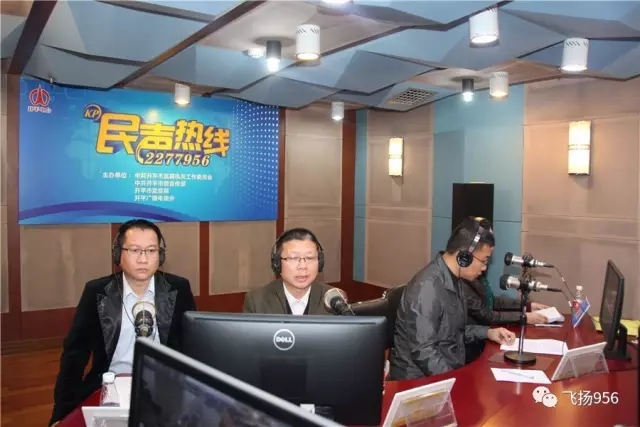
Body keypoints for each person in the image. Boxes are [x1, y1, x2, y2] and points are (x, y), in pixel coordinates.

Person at [49, 219, 196, 426]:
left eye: (151, 251)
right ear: (118, 254)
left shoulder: (178, 289)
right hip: (110, 386)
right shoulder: (97, 292)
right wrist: (61, 414)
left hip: (165, 386)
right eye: (135, 250)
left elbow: (192, 346)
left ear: (160, 255)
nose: (143, 259)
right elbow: (74, 355)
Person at [388, 217, 516, 380]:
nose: (484, 268)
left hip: (444, 371)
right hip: (418, 381)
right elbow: (424, 351)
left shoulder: (455, 280)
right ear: (465, 257)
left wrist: (489, 332)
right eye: (484, 261)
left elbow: (453, 331)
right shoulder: (427, 288)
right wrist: (455, 380)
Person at [243, 228, 336, 315]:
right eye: (293, 258)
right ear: (277, 263)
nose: (303, 266)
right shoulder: (257, 301)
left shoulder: (334, 299)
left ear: (320, 262)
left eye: (309, 258)